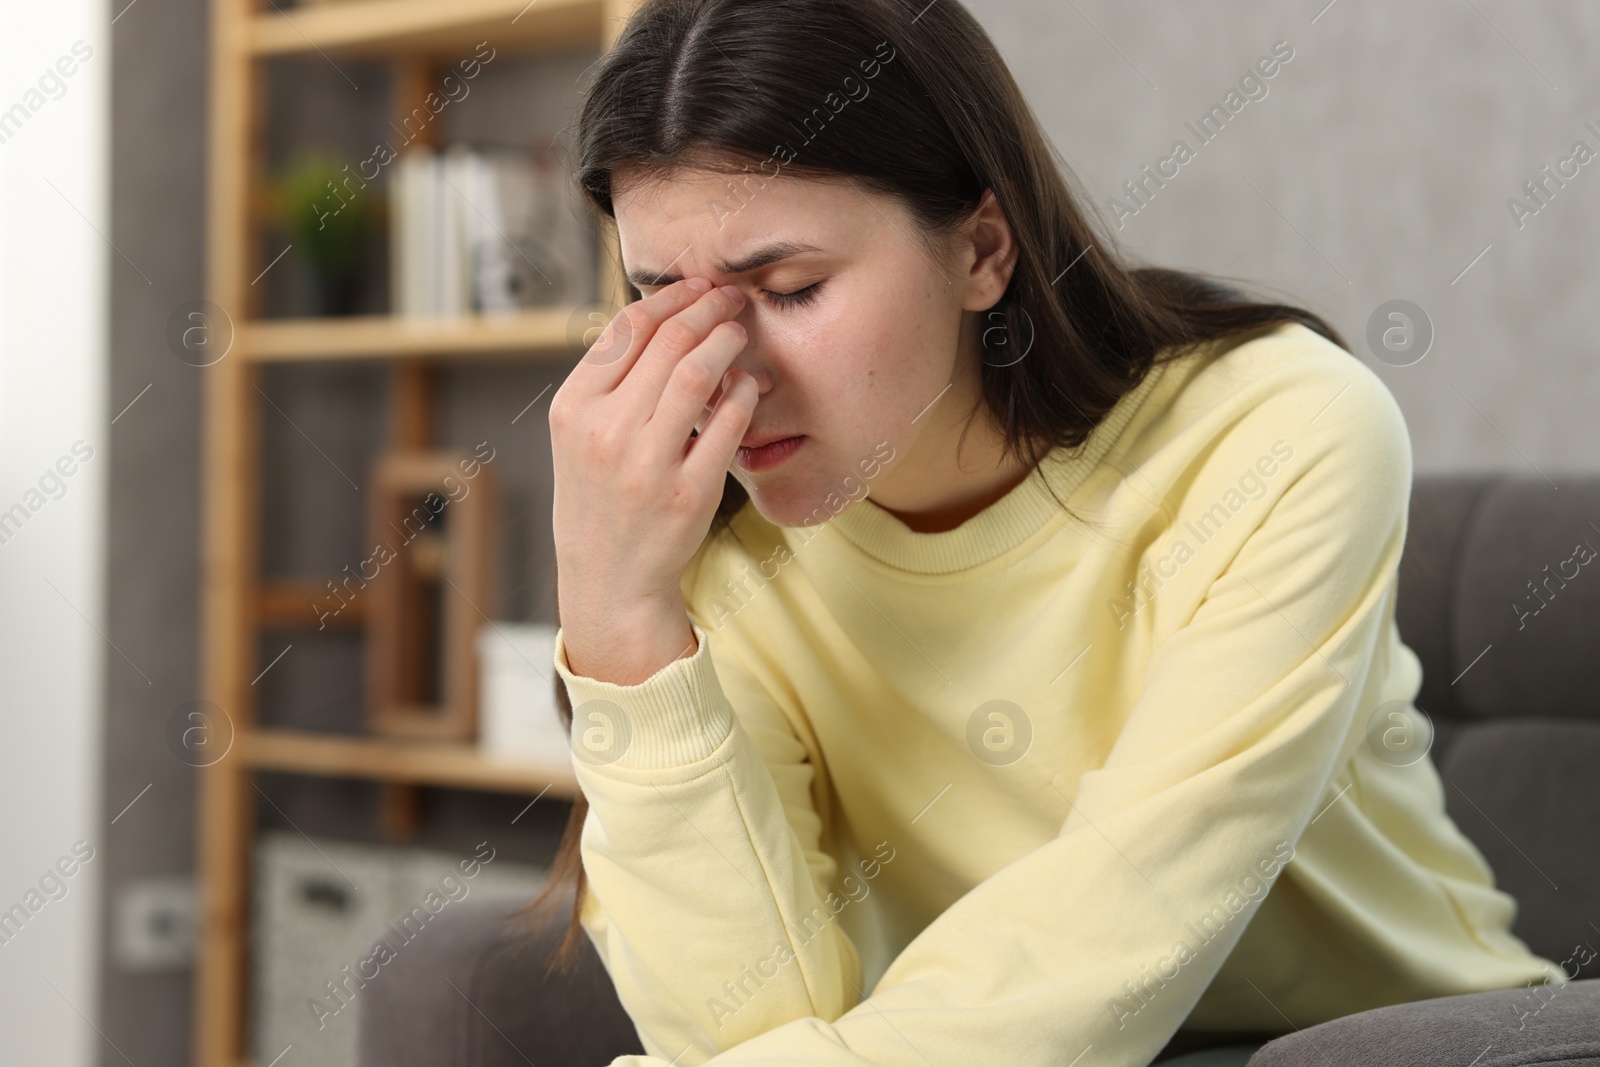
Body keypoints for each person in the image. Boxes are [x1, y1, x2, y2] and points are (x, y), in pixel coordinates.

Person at [527, 0, 1566, 1064]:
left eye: (789, 289)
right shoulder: (714, 549)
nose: (719, 377)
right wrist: (620, 618)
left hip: (1399, 1040)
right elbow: (734, 1028)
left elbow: (1129, 910)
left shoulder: (1275, 435)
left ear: (982, 250)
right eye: (661, 303)